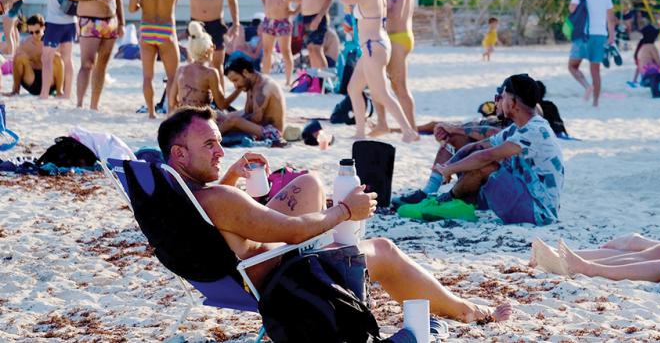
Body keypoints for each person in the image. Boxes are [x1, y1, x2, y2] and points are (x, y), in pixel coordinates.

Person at [157, 107, 512, 324]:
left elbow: (220, 217)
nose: (220, 150)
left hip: (241, 273)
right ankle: (465, 310)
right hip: (283, 276)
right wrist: (343, 211)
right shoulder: (217, 198)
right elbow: (293, 233)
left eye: (220, 141)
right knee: (383, 250)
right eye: (209, 145)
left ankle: (337, 237)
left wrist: (231, 175)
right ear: (180, 154)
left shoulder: (176, 193)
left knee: (309, 182)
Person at [416, 74, 565, 226]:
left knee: (487, 166)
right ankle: (453, 203)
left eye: (503, 97)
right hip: (524, 198)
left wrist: (450, 169)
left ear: (513, 103)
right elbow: (478, 146)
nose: (497, 101)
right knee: (477, 154)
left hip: (537, 213)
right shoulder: (519, 127)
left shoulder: (535, 130)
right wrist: (446, 167)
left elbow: (486, 156)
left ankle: (446, 201)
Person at [338, 0, 419, 142]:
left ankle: (408, 131)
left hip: (373, 46)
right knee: (354, 88)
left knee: (381, 93)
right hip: (373, 46)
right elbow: (349, 6)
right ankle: (360, 132)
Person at [68, 0, 125, 110]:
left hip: (111, 22)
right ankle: (79, 104)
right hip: (90, 21)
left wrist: (122, 22)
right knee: (87, 64)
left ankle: (94, 105)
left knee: (102, 65)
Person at [128, 0, 183, 118]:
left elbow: (131, 8)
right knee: (173, 75)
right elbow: (173, 4)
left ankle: (151, 113)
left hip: (148, 27)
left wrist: (142, 4)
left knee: (147, 76)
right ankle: (170, 111)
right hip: (166, 28)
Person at [180, 0, 240, 90]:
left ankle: (219, 98)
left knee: (217, 64)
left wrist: (236, 23)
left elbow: (232, 0)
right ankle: (193, 94)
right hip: (196, 24)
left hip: (215, 23)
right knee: (194, 62)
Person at [372, 0, 418, 136]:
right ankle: (388, 124)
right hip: (404, 36)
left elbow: (389, 10)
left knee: (395, 86)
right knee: (386, 83)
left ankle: (406, 128)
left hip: (396, 38)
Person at [568, 0, 615, 107]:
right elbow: (611, 17)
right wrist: (611, 36)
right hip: (600, 35)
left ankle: (587, 86)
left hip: (584, 34)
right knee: (595, 70)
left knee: (572, 66)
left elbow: (572, 9)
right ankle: (595, 102)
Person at [219, 57, 287, 144]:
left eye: (236, 80)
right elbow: (247, 111)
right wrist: (226, 119)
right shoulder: (251, 84)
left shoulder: (262, 88)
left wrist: (229, 123)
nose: (236, 86)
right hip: (260, 128)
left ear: (245, 72)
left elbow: (256, 119)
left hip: (273, 133)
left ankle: (212, 136)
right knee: (224, 116)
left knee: (234, 120)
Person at [168, 22, 233, 111]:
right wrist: (239, 89)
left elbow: (172, 102)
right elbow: (222, 104)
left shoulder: (181, 70)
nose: (213, 49)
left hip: (182, 117)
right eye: (212, 47)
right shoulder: (211, 73)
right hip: (200, 117)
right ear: (207, 52)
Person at [260, 0, 303, 86]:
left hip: (283, 20)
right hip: (269, 19)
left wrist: (294, 9)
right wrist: (268, 5)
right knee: (267, 51)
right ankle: (265, 79)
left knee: (285, 51)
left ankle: (288, 80)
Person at [3, 15, 64, 97]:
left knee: (57, 57)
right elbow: (17, 64)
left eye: (37, 32)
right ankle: (15, 90)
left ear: (44, 28)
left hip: (49, 82)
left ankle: (59, 91)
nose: (34, 35)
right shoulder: (25, 44)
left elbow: (61, 66)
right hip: (31, 80)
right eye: (31, 32)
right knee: (19, 57)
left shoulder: (52, 42)